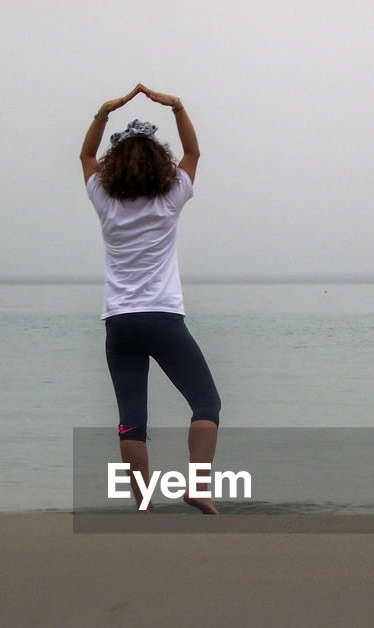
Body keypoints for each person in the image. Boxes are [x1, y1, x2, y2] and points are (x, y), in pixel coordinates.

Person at [81, 84, 221, 514]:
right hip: (162, 319)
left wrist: (102, 113)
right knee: (205, 403)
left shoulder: (104, 201)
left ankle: (144, 505)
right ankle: (197, 486)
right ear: (159, 159)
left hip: (119, 323)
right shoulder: (170, 197)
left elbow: (85, 157)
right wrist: (177, 106)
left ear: (114, 163)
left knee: (132, 420)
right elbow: (193, 153)